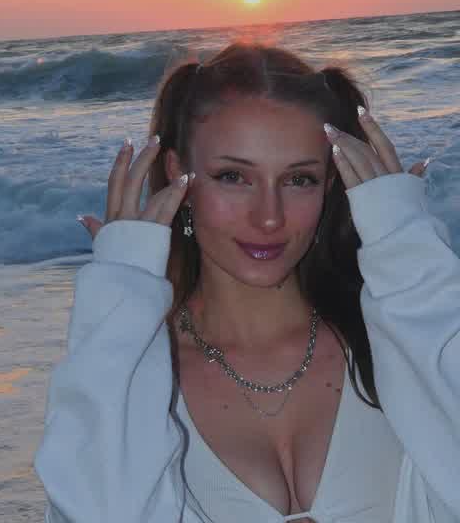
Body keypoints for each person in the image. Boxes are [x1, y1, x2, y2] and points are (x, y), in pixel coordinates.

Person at [34, 42, 459, 523]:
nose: (269, 217)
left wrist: (407, 254)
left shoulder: (401, 346)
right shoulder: (134, 375)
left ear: (331, 184)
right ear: (179, 175)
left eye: (299, 180)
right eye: (233, 176)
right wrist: (120, 304)